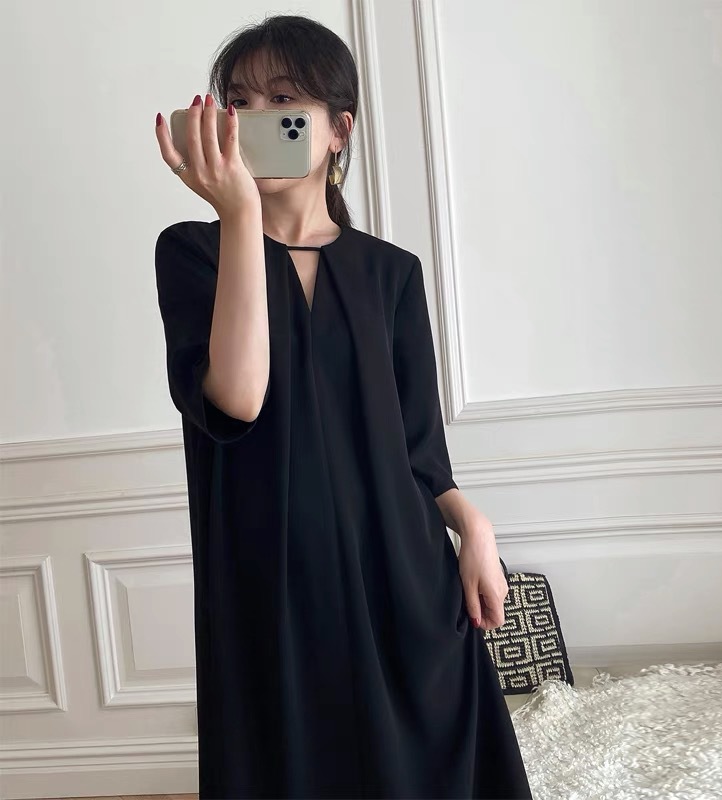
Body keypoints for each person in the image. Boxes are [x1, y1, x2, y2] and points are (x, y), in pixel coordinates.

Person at [153, 13, 532, 799]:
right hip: (271, 584)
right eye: (238, 101)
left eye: (283, 99)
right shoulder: (192, 250)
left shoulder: (392, 274)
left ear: (338, 129)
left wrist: (476, 528)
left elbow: (421, 453)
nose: (255, 118)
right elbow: (237, 399)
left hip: (403, 577)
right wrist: (240, 216)